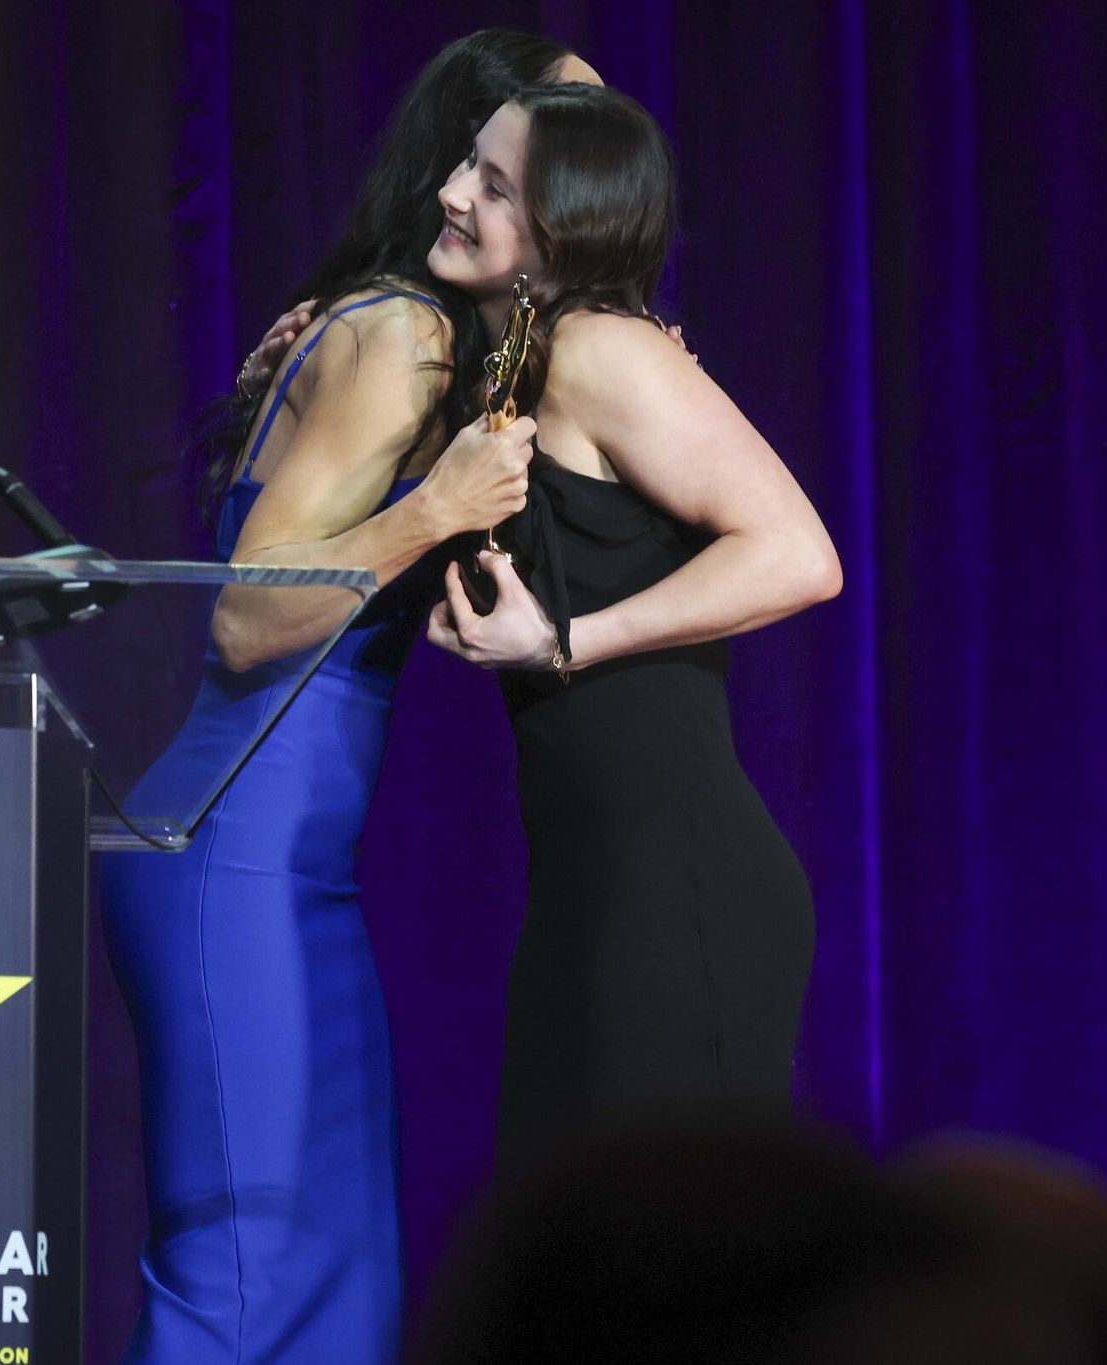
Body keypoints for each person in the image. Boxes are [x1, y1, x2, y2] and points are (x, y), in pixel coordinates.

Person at [98, 31, 596, 1365]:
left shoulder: (406, 332)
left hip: (276, 856)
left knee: (332, 1277)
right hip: (234, 847)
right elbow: (248, 616)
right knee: (246, 1280)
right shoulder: (402, 336)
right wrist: (435, 509)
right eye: (549, 145)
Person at [423, 83, 843, 1169]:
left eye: (495, 186)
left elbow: (800, 556)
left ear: (563, 228)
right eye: (467, 164)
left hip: (678, 889)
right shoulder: (507, 362)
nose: (453, 193)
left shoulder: (601, 350)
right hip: (588, 890)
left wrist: (565, 642)